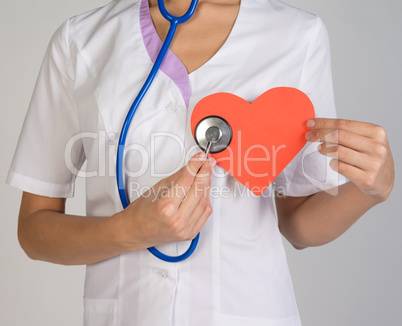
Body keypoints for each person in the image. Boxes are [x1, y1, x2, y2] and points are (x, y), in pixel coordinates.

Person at [7, 0, 394, 325]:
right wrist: (127, 230)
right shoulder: (82, 40)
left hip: (248, 311)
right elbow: (33, 229)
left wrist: (370, 192)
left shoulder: (296, 35)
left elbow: (297, 225)